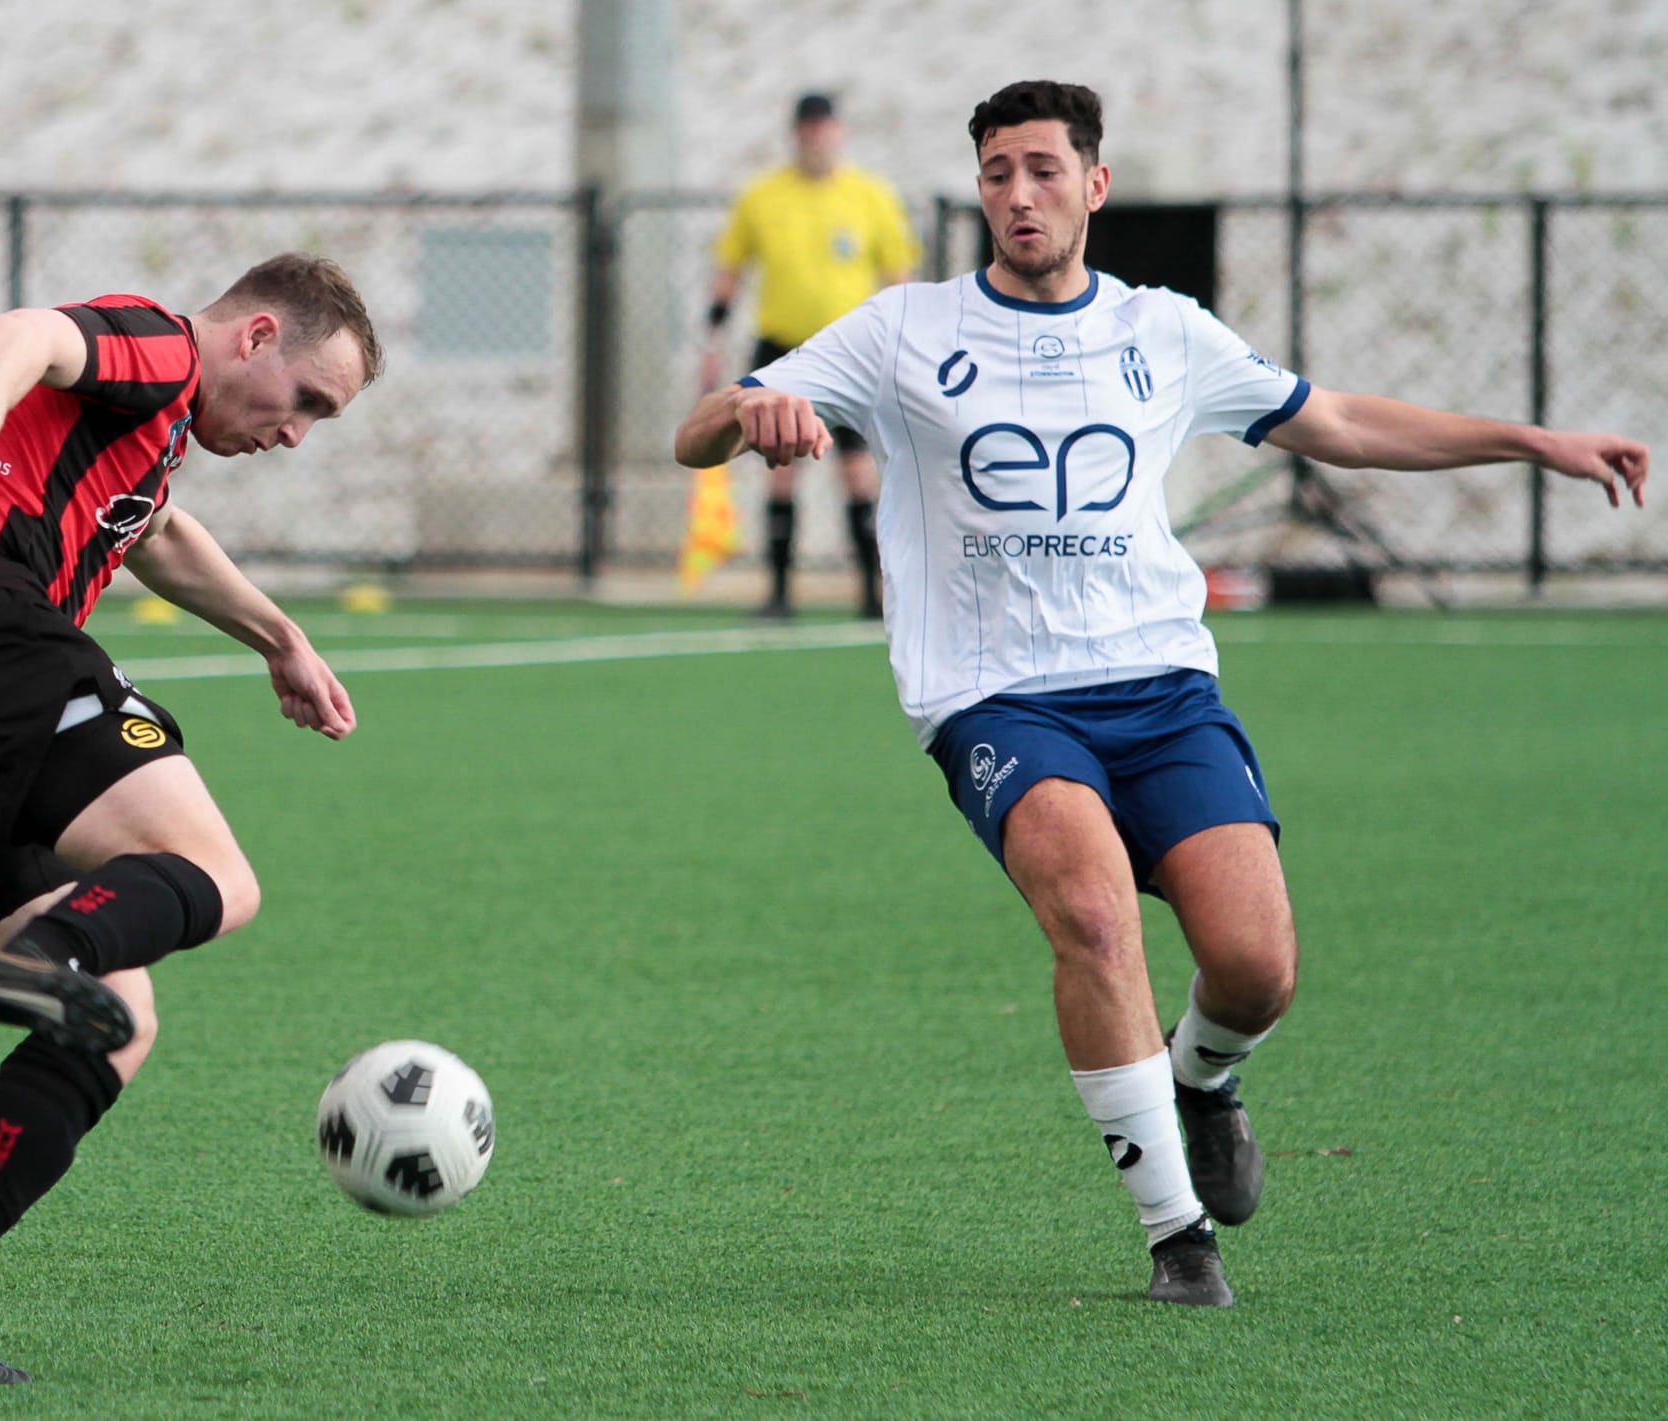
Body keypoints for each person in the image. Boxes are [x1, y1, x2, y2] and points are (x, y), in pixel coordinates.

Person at [675, 81, 1647, 1307]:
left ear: (1093, 184)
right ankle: (1176, 1237)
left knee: (1255, 966)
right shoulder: (902, 329)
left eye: (1039, 169)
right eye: (993, 173)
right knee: (1090, 913)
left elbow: (1334, 418)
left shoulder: (1162, 330)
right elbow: (696, 431)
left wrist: (1530, 439)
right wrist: (743, 408)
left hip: (1162, 689)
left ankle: (1205, 1074)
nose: (1015, 194)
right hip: (998, 699)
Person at [0, 252, 381, 1382]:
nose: (295, 437)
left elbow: (161, 533)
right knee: (217, 874)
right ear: (258, 337)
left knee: (116, 1015)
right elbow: (29, 329)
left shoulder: (149, 436)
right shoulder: (165, 347)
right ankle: (50, 948)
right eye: (307, 404)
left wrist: (281, 639)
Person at [700, 92, 918, 619]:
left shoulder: (871, 196)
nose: (816, 139)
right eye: (807, 131)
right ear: (796, 135)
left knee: (858, 473)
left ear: (838, 133)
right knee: (781, 467)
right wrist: (712, 340)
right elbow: (732, 270)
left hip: (852, 353)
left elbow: (898, 277)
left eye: (824, 130)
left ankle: (873, 594)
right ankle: (778, 593)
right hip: (783, 350)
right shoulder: (762, 197)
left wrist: (905, 347)